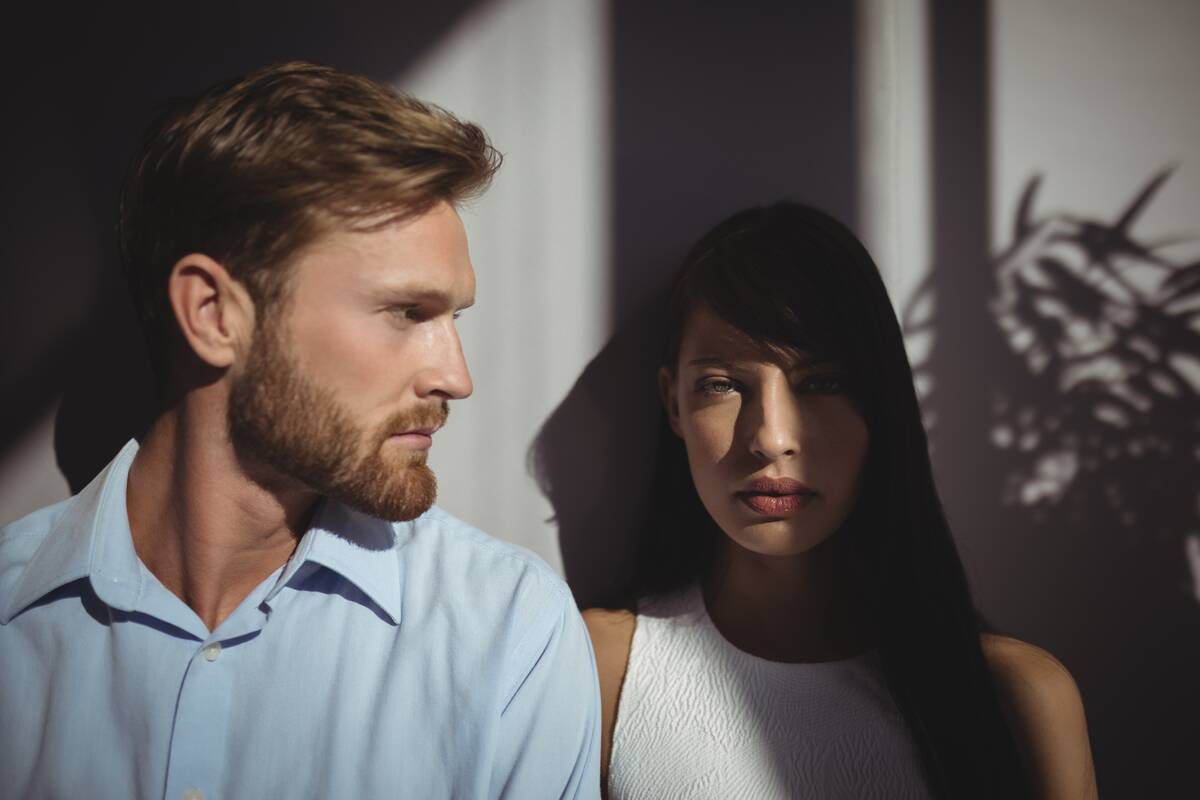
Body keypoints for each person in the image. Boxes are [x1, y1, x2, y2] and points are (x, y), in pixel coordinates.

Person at [0, 62, 599, 799]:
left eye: (454, 318)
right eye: (406, 313)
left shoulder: (506, 637)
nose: (457, 377)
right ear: (215, 315)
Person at [583, 203, 1097, 799]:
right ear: (673, 403)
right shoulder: (600, 666)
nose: (772, 439)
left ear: (880, 403)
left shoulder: (1021, 695)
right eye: (723, 385)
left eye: (821, 383)